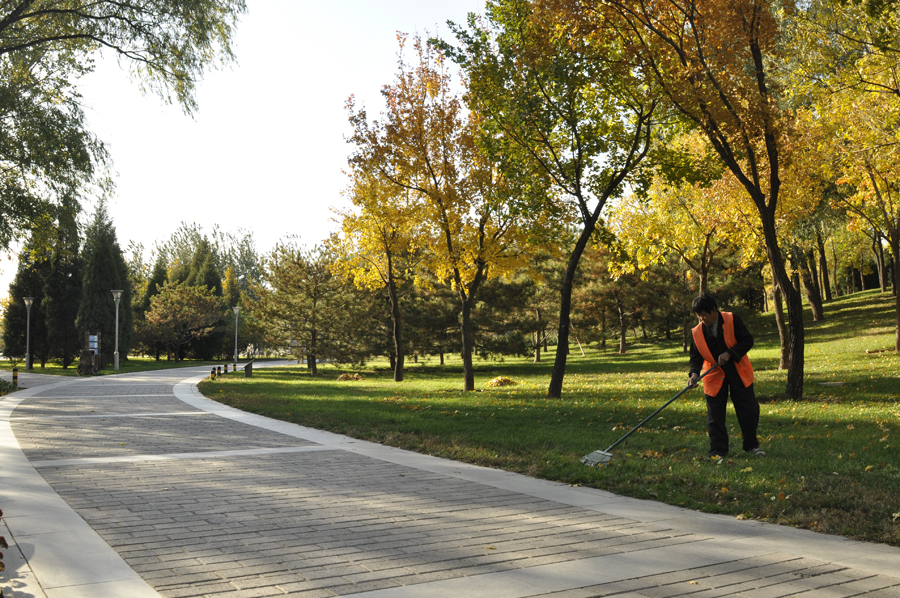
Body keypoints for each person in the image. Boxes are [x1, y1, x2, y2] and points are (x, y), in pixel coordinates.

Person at [688, 293, 765, 458]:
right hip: (714, 376)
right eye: (698, 315)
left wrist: (730, 353)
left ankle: (751, 445)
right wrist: (694, 374)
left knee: (748, 411)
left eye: (703, 314)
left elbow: (747, 341)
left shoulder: (732, 319)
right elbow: (695, 357)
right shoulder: (696, 332)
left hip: (739, 373)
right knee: (715, 416)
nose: (701, 318)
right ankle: (718, 450)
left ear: (713, 310)